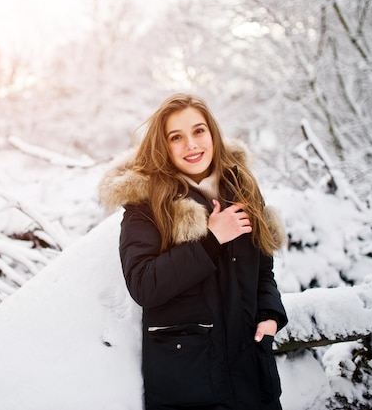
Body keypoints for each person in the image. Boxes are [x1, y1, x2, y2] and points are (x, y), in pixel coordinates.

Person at [99, 93, 288, 410]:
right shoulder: (146, 205)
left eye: (199, 131)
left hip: (253, 375)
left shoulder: (241, 187)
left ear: (212, 133)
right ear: (164, 145)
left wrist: (270, 316)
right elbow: (144, 284)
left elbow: (262, 269)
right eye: (177, 137)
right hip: (190, 382)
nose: (191, 144)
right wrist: (212, 239)